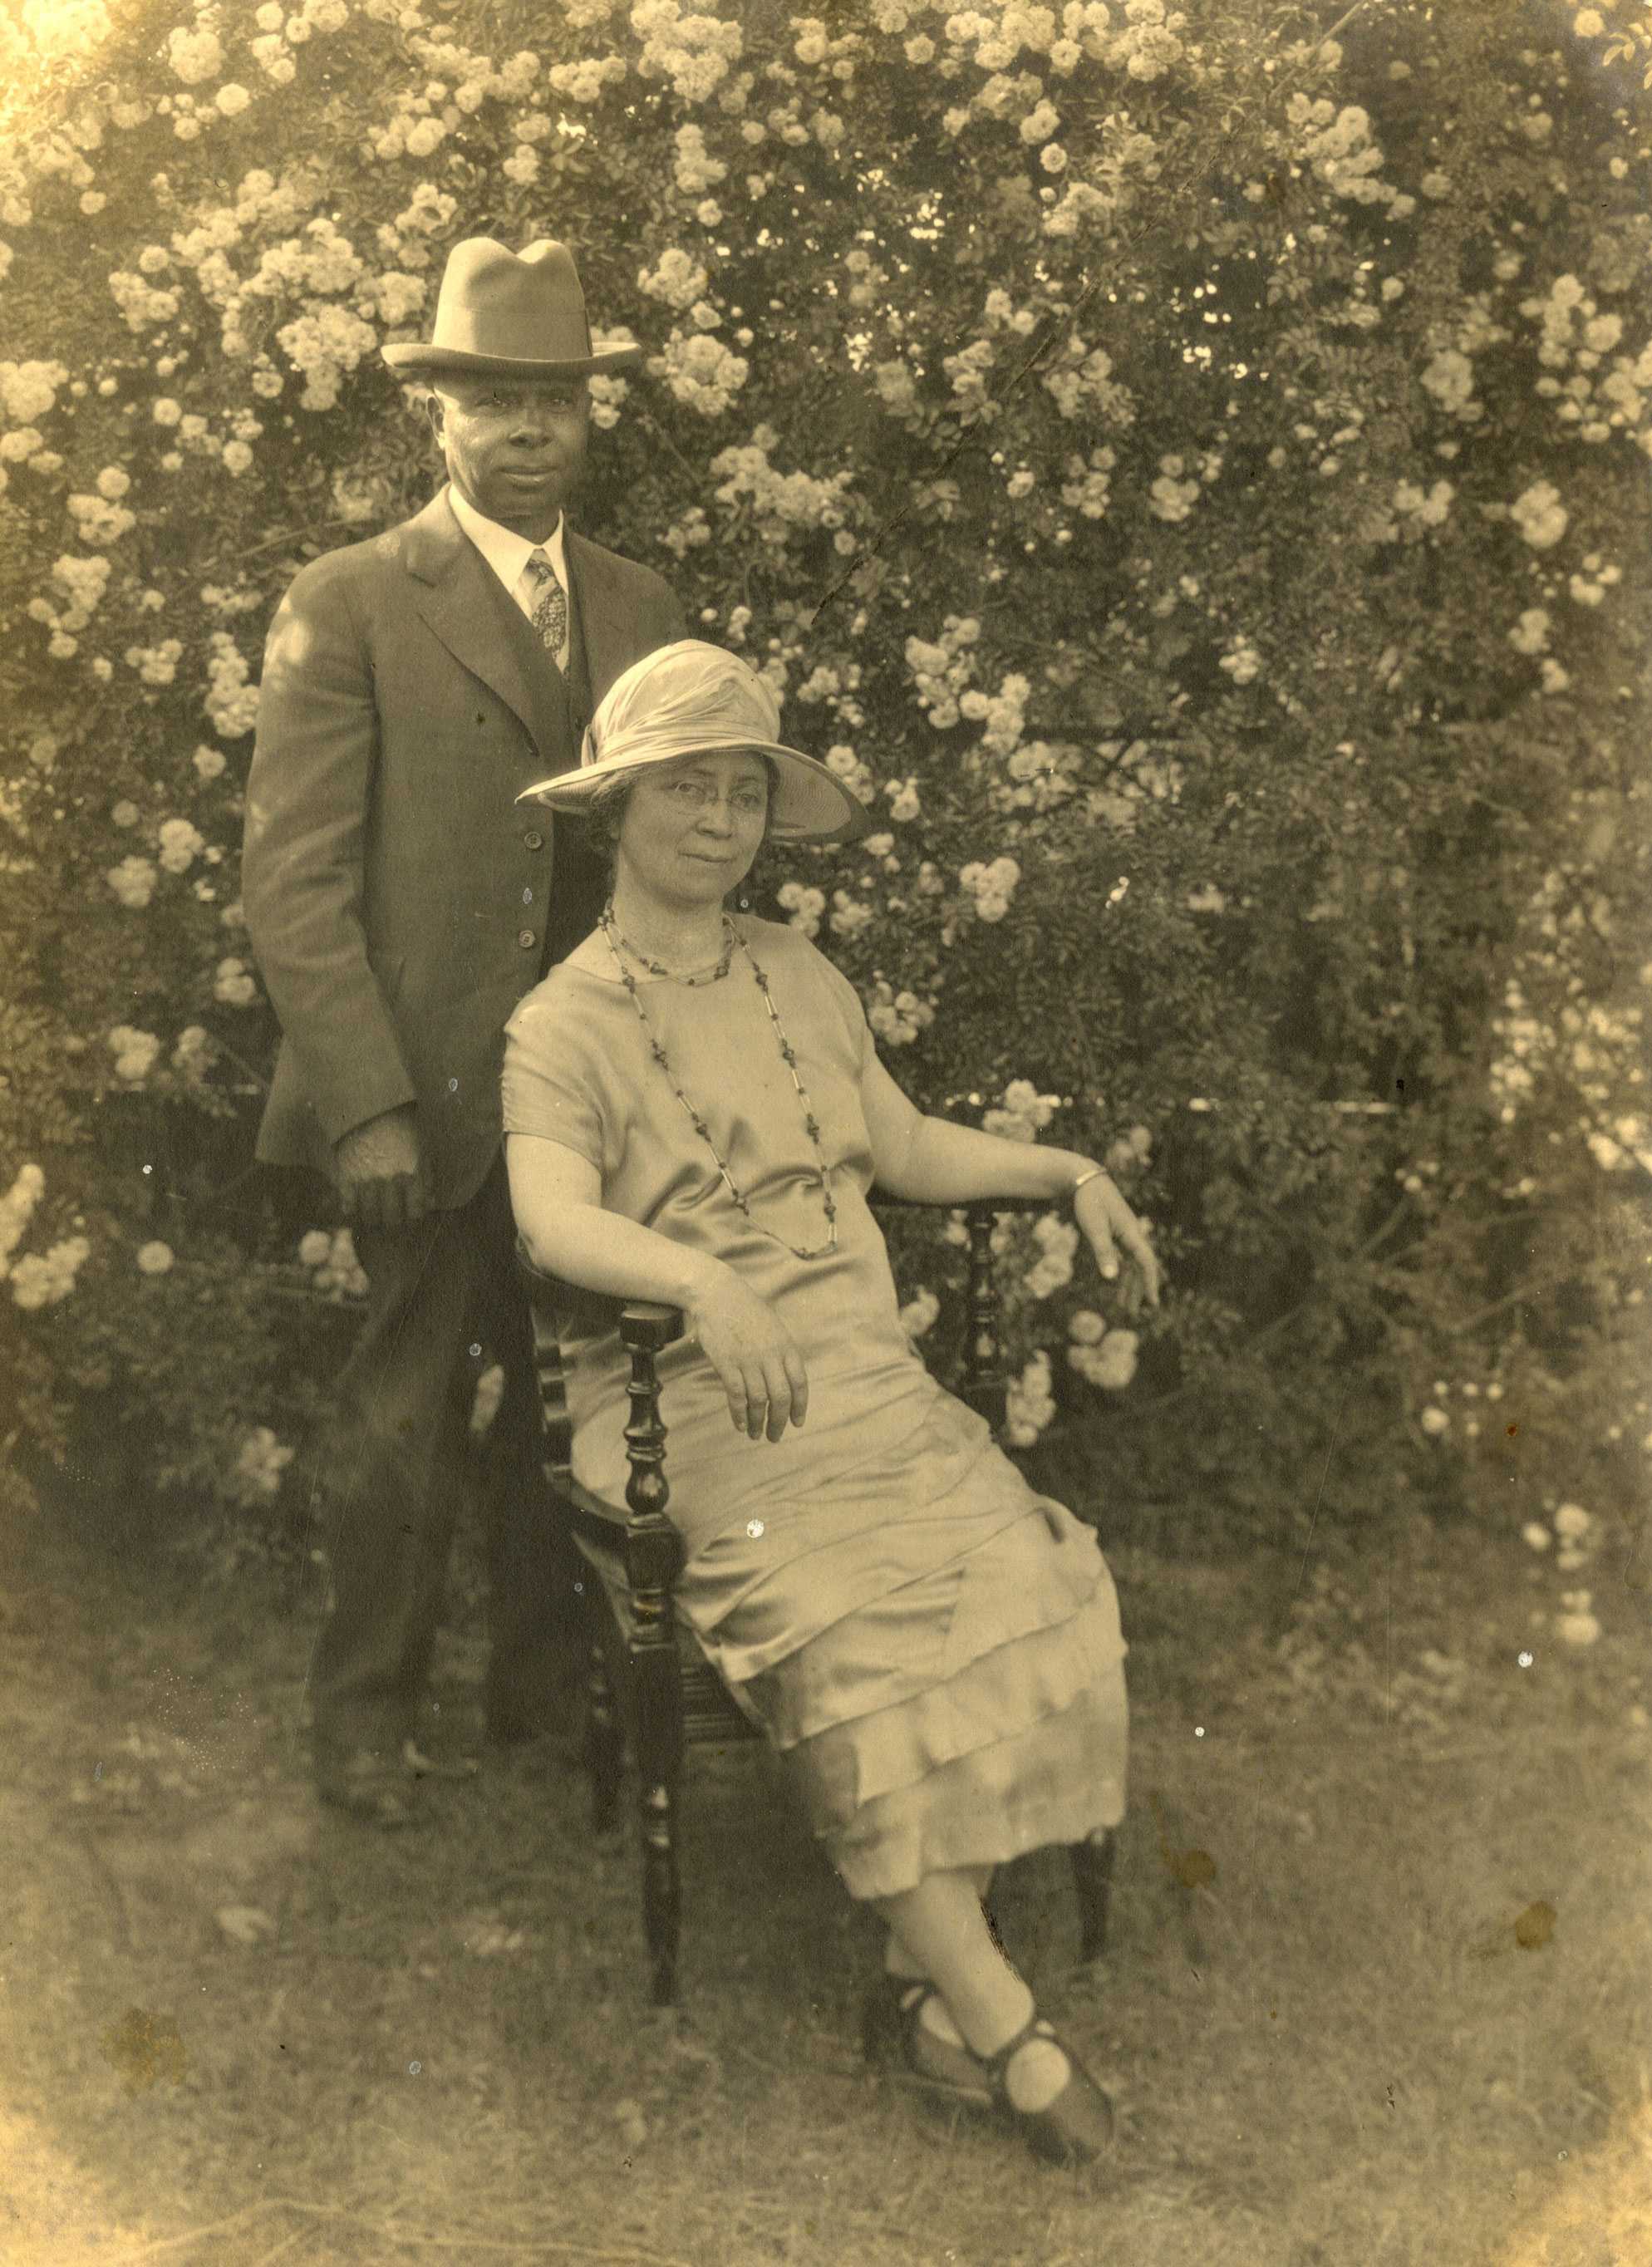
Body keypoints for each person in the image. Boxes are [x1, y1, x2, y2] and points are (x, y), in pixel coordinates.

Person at [501, 641, 1162, 2174]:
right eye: (687, 790)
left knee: (1026, 1578)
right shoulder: (565, 1022)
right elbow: (547, 1219)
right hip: (684, 1408)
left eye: (743, 794)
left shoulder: (799, 973)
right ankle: (1004, 2028)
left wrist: (1066, 1169)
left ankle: (917, 1999)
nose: (718, 823)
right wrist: (708, 1287)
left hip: (857, 1384)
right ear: (622, 808)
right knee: (861, 1633)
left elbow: (908, 1146)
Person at [243, 239, 686, 1825]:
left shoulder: (639, 604)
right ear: (437, 417)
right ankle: (362, 1722)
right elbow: (293, 885)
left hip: (586, 1097)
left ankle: (539, 1700)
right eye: (493, 400)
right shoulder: (352, 600)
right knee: (401, 1417)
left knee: (576, 1400)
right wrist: (364, 1103)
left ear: (588, 419)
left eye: (553, 400)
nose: (527, 431)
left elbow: (672, 849)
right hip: (419, 1094)